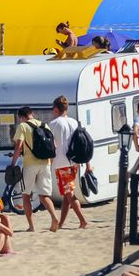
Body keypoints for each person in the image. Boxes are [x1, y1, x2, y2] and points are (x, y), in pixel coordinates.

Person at [10, 106, 58, 231]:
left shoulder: (22, 127)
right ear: (32, 114)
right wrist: (50, 162)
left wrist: (13, 163)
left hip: (30, 164)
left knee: (26, 195)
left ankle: (31, 226)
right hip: (45, 163)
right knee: (44, 195)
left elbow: (19, 146)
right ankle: (54, 217)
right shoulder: (44, 125)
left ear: (21, 117)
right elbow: (54, 146)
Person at [48, 96, 89, 229]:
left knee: (69, 193)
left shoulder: (53, 124)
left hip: (61, 162)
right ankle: (61, 223)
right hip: (73, 161)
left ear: (55, 109)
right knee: (67, 194)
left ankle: (83, 220)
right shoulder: (74, 122)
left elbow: (51, 145)